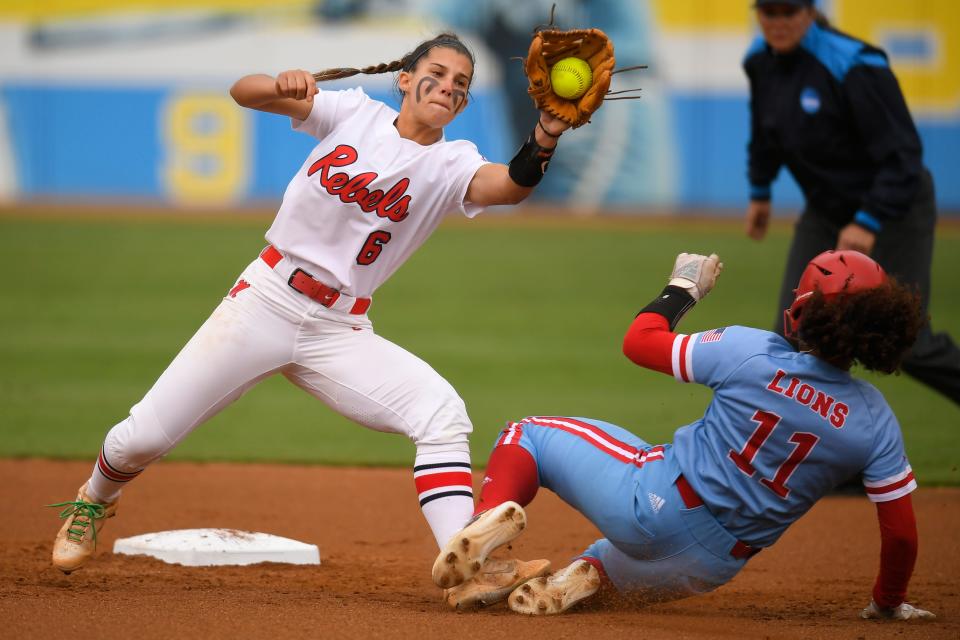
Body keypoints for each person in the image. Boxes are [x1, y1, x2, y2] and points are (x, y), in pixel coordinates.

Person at [47, 33, 581, 581]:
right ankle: (93, 498)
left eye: (460, 84)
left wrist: (545, 135)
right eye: (438, 73)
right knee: (143, 438)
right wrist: (284, 83)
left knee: (441, 414)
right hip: (265, 301)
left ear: (464, 103)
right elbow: (243, 92)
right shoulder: (354, 113)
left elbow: (511, 186)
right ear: (405, 78)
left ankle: (466, 565)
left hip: (339, 329)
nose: (447, 86)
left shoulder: (452, 163)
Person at [431, 249, 937, 621]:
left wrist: (683, 287)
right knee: (606, 561)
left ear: (803, 310)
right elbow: (900, 535)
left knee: (527, 436)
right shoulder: (874, 419)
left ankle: (483, 530)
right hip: (709, 566)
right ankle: (573, 581)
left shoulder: (753, 352)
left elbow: (639, 343)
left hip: (653, 504)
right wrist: (888, 604)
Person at [742, 0, 960, 406]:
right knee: (792, 332)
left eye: (788, 12)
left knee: (911, 344)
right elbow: (764, 130)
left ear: (809, 12)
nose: (777, 22)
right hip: (827, 210)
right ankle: (795, 456)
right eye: (768, 12)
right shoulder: (760, 60)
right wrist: (760, 191)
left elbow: (904, 156)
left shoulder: (854, 64)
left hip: (896, 206)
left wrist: (868, 219)